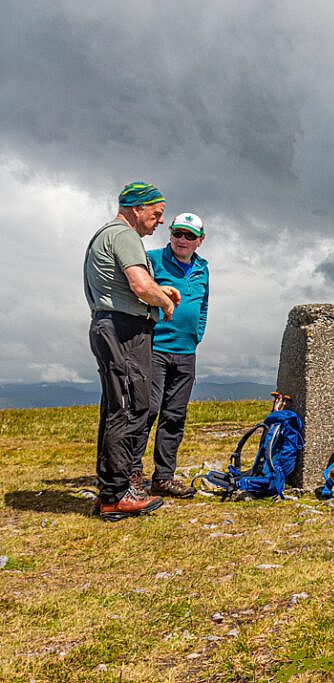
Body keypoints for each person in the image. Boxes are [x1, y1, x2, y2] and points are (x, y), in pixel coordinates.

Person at [84, 182, 180, 521]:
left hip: (109, 324)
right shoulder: (124, 236)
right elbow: (139, 285)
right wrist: (164, 301)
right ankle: (117, 493)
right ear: (136, 210)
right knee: (130, 406)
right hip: (124, 329)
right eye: (156, 215)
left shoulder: (105, 236)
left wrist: (157, 289)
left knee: (117, 406)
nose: (159, 222)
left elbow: (132, 284)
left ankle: (110, 490)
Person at [132, 212, 209, 499]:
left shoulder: (203, 269)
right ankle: (132, 474)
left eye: (190, 236)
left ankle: (164, 477)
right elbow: (137, 291)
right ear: (171, 234)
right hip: (154, 348)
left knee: (174, 415)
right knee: (147, 410)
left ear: (199, 241)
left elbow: (202, 306)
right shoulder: (152, 259)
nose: (182, 240)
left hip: (186, 352)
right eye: (178, 233)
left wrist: (196, 334)